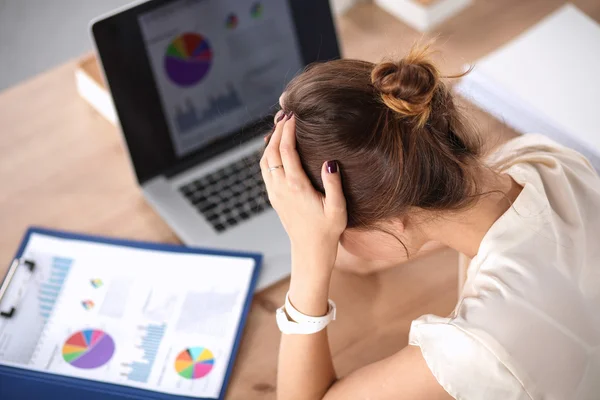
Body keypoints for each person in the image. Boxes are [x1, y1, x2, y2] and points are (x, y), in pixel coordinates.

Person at [259, 43, 600, 400]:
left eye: (339, 232)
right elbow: (358, 259)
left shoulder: (477, 346)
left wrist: (309, 255)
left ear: (395, 223)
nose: (334, 241)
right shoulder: (542, 160)